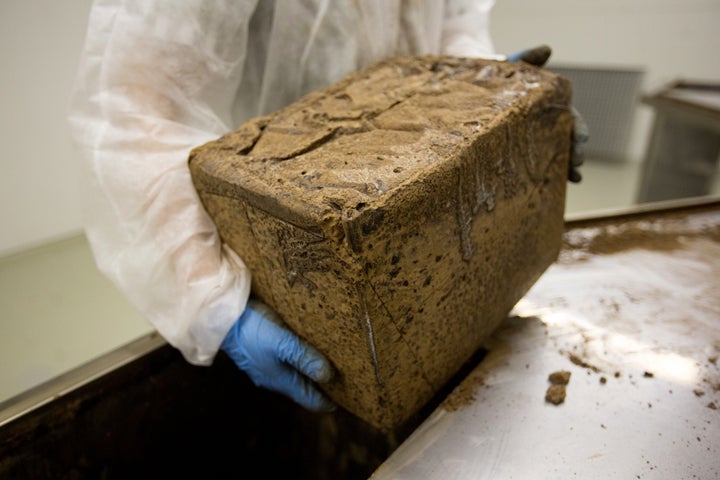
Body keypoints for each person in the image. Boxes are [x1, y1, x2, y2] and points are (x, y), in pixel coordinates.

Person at [68, 0, 585, 413]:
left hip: (441, 246)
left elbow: (449, 25)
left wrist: (496, 95)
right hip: (280, 245)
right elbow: (132, 112)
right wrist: (213, 302)